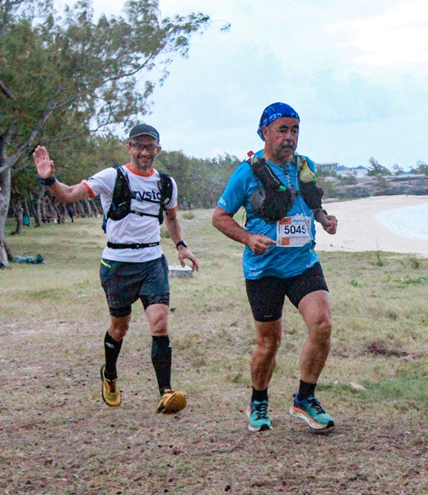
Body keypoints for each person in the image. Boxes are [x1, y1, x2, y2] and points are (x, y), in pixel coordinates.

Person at [32, 124, 199, 414]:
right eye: (139, 146)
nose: (144, 152)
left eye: (150, 146)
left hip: (152, 261)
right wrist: (49, 180)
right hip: (118, 264)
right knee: (119, 328)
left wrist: (181, 245)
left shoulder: (166, 184)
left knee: (159, 323)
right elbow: (69, 194)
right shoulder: (112, 177)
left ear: (158, 149)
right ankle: (109, 374)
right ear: (129, 147)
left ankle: (166, 392)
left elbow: (171, 218)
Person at [212, 102, 339, 433]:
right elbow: (220, 217)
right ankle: (258, 401)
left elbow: (312, 202)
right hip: (264, 270)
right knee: (269, 343)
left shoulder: (304, 166)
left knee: (322, 323)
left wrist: (324, 219)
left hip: (302, 264)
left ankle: (305, 398)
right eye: (282, 129)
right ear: (264, 132)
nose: (290, 137)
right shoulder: (247, 172)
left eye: (294, 130)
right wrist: (248, 237)